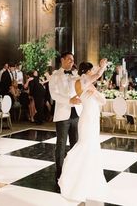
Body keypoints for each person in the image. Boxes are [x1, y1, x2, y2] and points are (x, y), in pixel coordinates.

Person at [58, 58, 108, 202]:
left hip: (92, 117)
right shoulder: (82, 81)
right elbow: (97, 75)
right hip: (87, 118)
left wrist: (96, 93)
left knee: (91, 146)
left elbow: (102, 100)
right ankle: (75, 179)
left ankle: (89, 178)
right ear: (86, 72)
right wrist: (102, 66)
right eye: (91, 70)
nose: (92, 73)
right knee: (85, 145)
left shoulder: (87, 84)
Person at [49, 52, 82, 182]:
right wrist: (69, 100)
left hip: (76, 114)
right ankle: (59, 171)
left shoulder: (76, 75)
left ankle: (73, 169)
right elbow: (54, 95)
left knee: (75, 143)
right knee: (61, 144)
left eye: (73, 60)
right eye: (69, 59)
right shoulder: (55, 75)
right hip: (63, 114)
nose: (71, 62)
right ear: (62, 60)